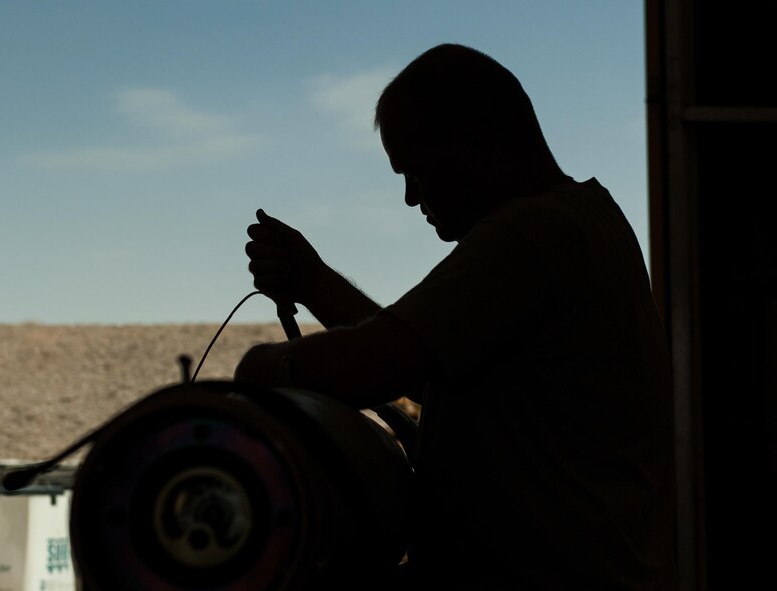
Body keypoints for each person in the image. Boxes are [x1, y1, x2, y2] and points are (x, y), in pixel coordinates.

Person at [235, 43, 677, 590]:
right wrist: (314, 282)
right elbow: (428, 362)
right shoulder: (584, 222)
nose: (408, 197)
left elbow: (369, 367)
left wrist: (260, 370)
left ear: (471, 143)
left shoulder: (532, 236)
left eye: (414, 171)